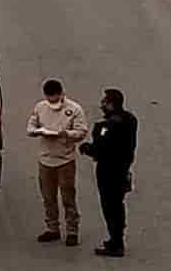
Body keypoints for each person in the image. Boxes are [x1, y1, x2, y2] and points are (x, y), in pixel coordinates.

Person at [26, 78, 88, 246]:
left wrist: (66, 134)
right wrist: (38, 131)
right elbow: (30, 127)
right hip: (45, 160)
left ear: (62, 94)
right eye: (49, 99)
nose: (52, 102)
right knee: (48, 197)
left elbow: (82, 131)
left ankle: (72, 230)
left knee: (68, 197)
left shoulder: (74, 109)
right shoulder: (40, 107)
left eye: (55, 99)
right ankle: (52, 228)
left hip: (65, 161)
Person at [81, 87, 138, 257]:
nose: (102, 105)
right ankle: (116, 238)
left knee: (110, 206)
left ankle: (116, 243)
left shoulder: (108, 126)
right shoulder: (130, 119)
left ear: (112, 104)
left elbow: (101, 149)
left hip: (109, 171)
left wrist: (86, 148)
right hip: (123, 168)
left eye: (105, 102)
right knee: (117, 204)